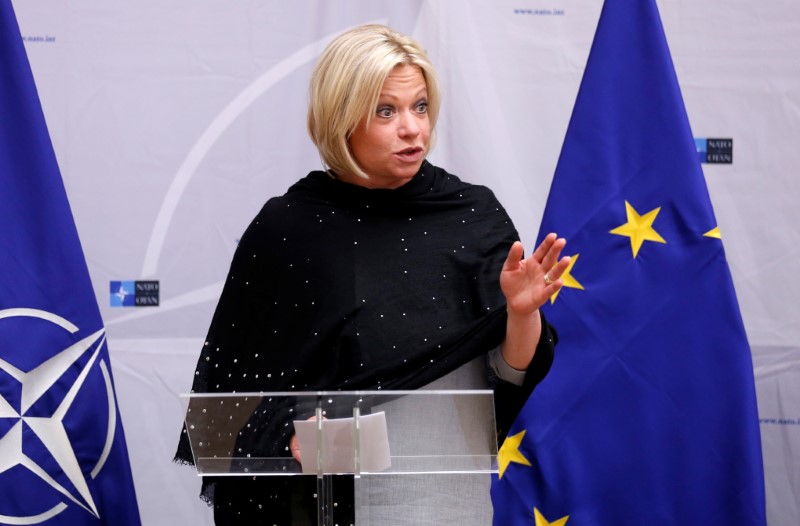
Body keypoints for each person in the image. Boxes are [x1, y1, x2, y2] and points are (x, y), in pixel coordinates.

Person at [175, 24, 569, 525]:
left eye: (420, 107)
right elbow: (227, 405)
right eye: (387, 111)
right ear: (341, 118)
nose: (412, 128)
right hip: (318, 505)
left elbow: (510, 376)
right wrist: (287, 432)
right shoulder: (289, 228)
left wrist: (520, 314)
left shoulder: (473, 215)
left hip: (444, 505)